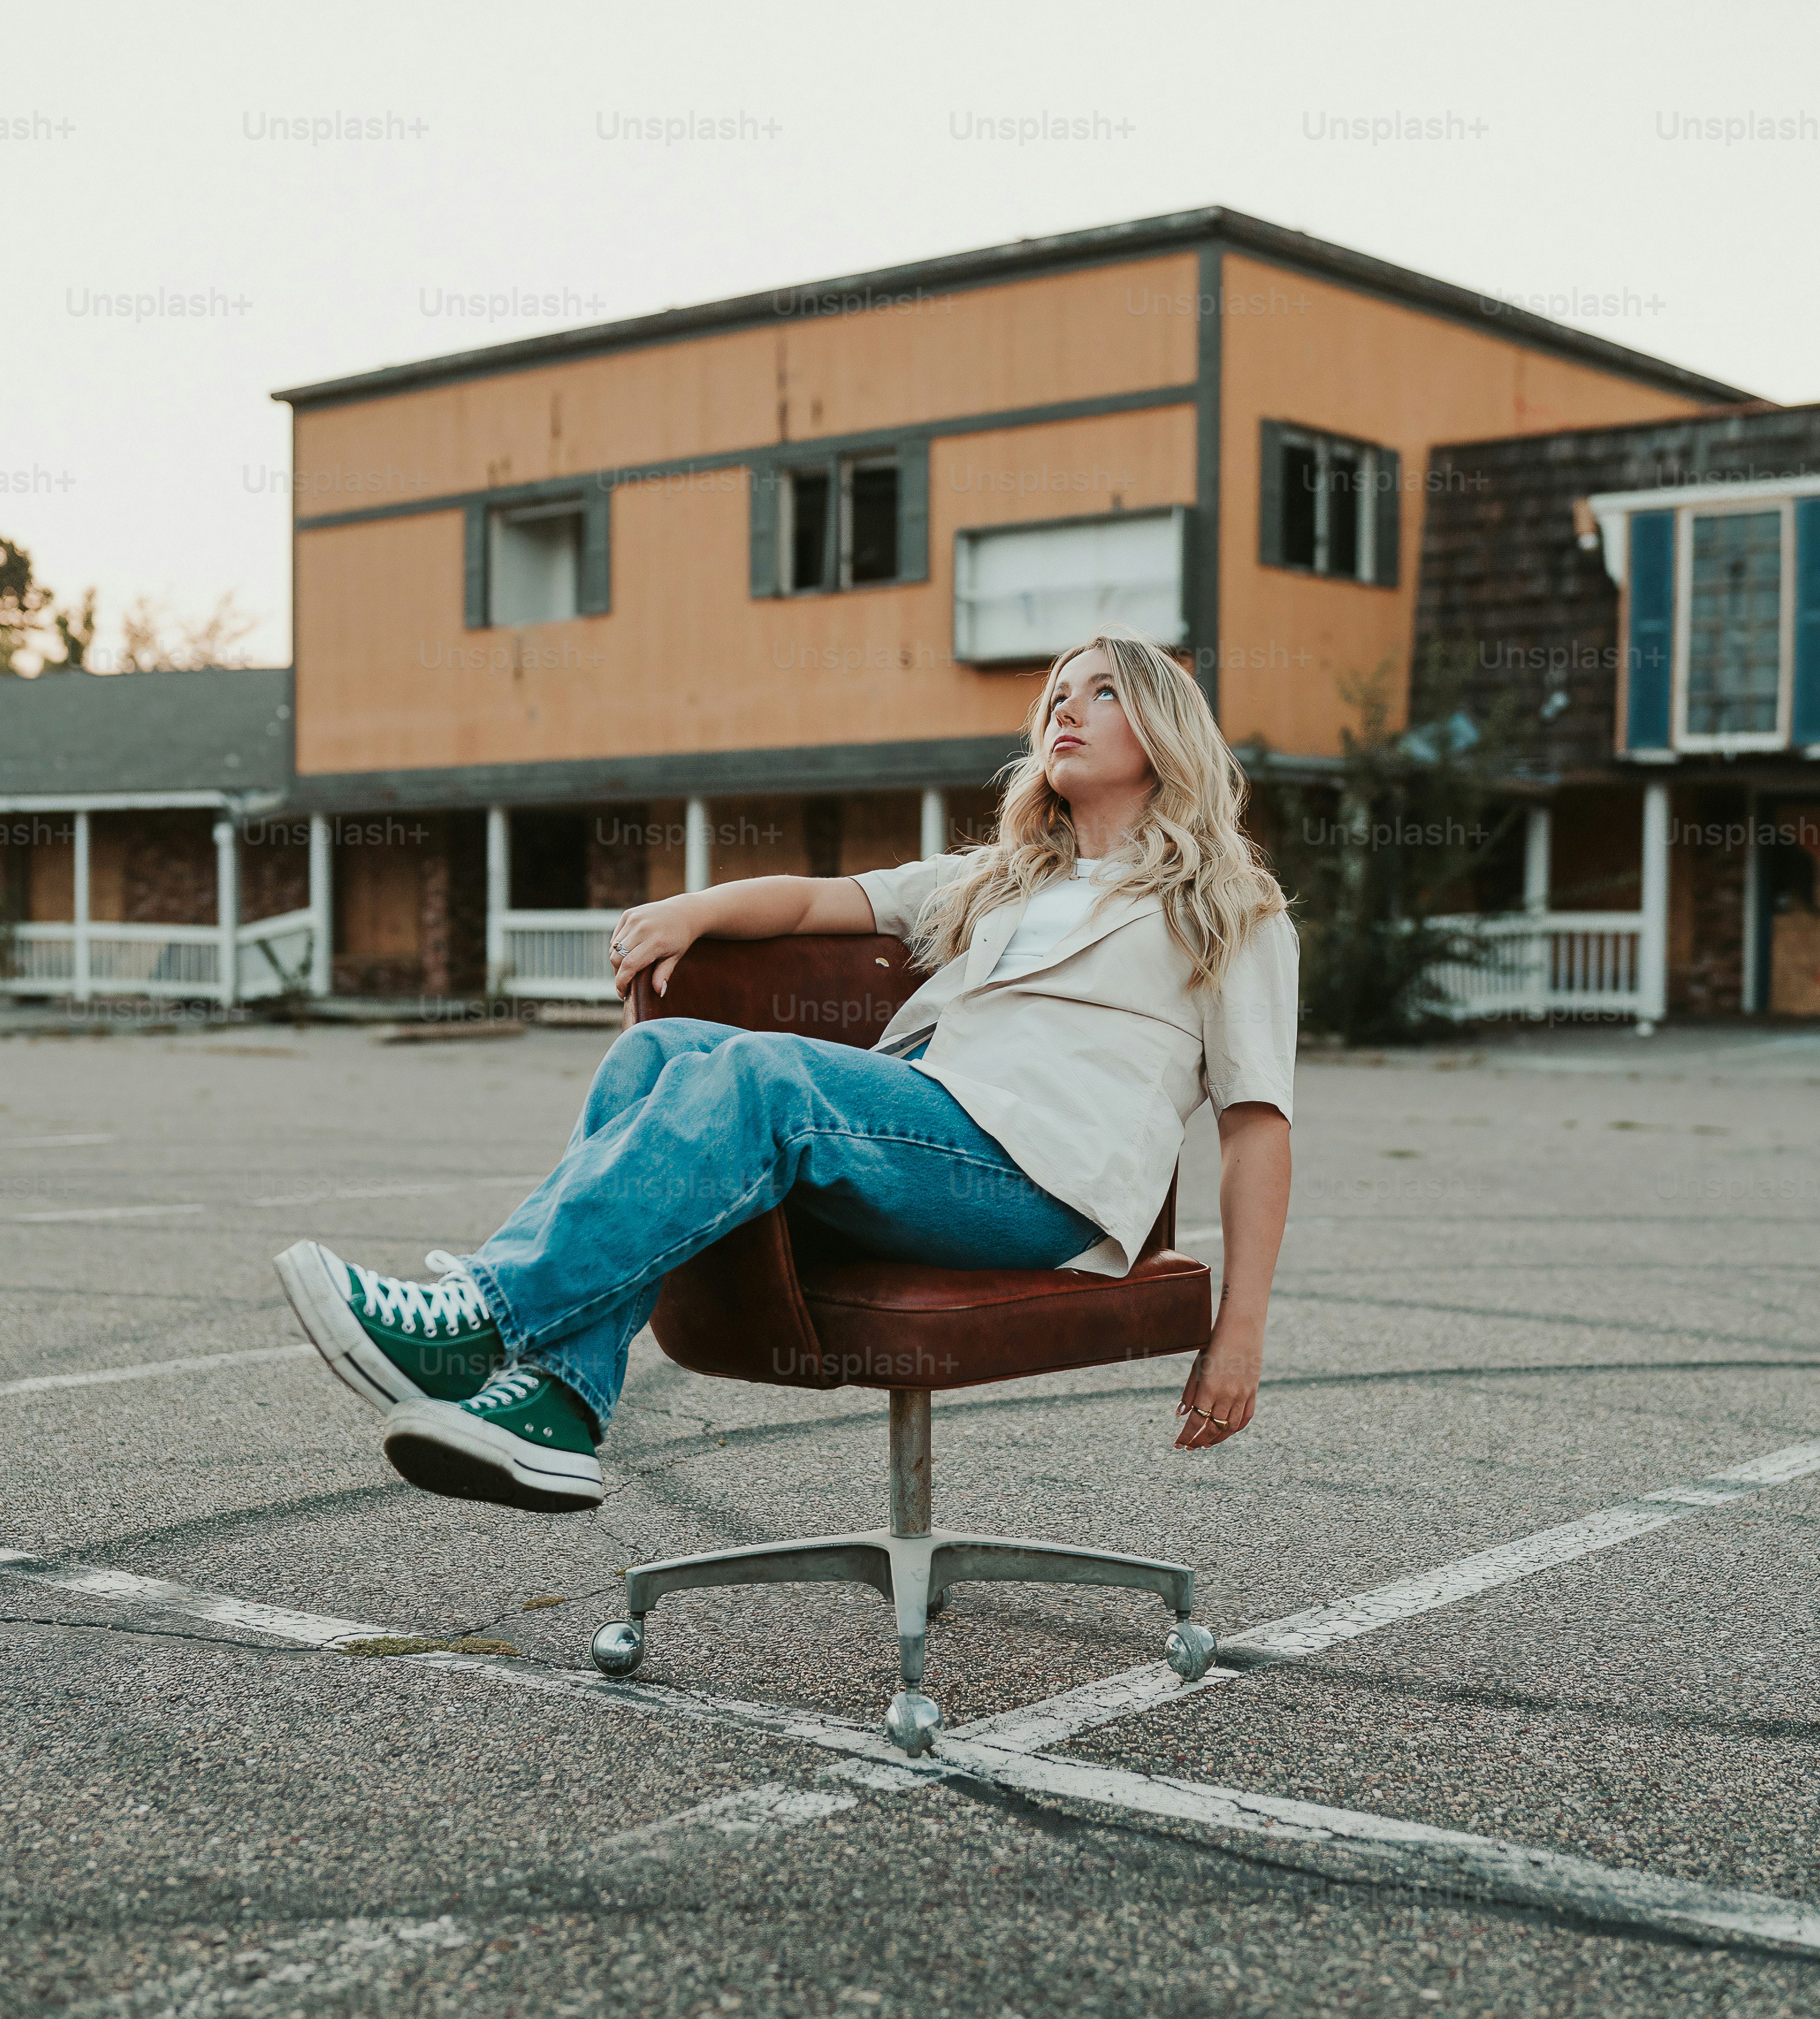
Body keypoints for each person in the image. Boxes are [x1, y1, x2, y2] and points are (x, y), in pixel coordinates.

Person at [274, 633, 1297, 1514]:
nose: (1068, 708)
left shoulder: (1228, 907)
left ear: (1164, 731)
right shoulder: (996, 880)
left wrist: (1238, 1332)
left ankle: (481, 1321)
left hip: (1042, 1187)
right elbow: (819, 903)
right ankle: (559, 1405)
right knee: (657, 1051)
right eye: (1058, 696)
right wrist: (694, 911)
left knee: (764, 1075)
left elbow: (1257, 1127)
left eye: (1103, 690)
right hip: (928, 1142)